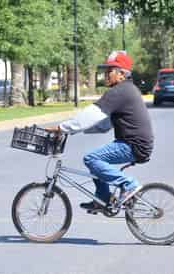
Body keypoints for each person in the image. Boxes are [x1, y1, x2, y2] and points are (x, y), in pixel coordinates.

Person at [46, 51, 154, 211]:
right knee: (97, 161)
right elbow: (104, 124)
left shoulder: (119, 92)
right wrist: (76, 130)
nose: (106, 75)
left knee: (91, 159)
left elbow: (92, 114)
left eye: (110, 71)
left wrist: (62, 128)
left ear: (122, 74)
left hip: (133, 145)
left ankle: (129, 185)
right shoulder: (127, 90)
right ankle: (103, 198)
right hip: (135, 143)